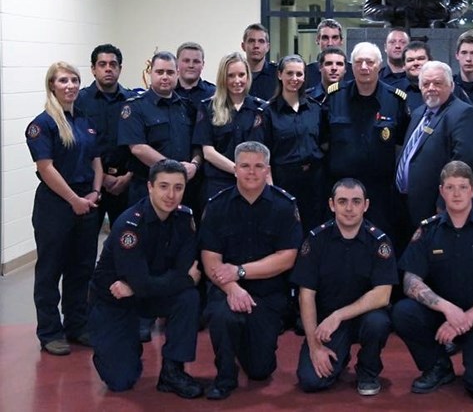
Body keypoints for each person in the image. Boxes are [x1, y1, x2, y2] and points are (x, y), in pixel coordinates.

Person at [392, 161, 473, 403]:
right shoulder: (427, 231)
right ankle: (438, 366)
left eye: (462, 187)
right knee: (404, 312)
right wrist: (446, 309)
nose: (456, 193)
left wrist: (464, 320)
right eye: (450, 187)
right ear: (441, 191)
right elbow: (410, 279)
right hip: (443, 314)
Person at [88, 160, 203, 398]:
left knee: (187, 298)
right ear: (150, 187)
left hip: (144, 293)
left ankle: (172, 371)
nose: (171, 195)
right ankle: (120, 344)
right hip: (115, 301)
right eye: (163, 186)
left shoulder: (185, 219)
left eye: (178, 188)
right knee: (121, 381)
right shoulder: (130, 225)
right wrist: (185, 280)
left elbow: (177, 270)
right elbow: (182, 276)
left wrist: (142, 286)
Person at [200, 141, 303, 400]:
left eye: (258, 166)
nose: (251, 172)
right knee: (223, 317)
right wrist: (233, 287)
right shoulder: (217, 206)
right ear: (235, 169)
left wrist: (240, 272)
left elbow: (287, 258)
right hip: (226, 290)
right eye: (245, 166)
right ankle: (225, 375)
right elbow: (210, 259)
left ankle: (247, 348)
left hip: (267, 295)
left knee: (260, 370)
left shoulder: (284, 205)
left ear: (267, 170)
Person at [292, 178, 397, 396]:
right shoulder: (315, 241)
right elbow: (306, 296)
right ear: (332, 205)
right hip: (327, 325)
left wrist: (339, 315)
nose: (349, 208)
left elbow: (383, 295)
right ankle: (341, 356)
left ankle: (367, 371)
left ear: (365, 205)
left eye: (356, 201)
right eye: (342, 201)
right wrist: (314, 347)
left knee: (377, 322)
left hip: (362, 319)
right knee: (312, 382)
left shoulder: (380, 242)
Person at [26, 62, 103, 356]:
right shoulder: (42, 124)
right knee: (50, 270)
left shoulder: (85, 120)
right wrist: (74, 200)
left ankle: (77, 325)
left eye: (74, 80)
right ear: (52, 86)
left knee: (81, 269)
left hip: (87, 202)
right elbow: (46, 169)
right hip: (56, 206)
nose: (70, 85)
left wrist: (95, 192)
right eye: (63, 80)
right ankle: (49, 332)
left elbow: (96, 160)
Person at [323, 42, 410, 242]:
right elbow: (325, 141)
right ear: (351, 66)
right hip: (342, 189)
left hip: (380, 191)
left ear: (379, 66)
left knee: (381, 242)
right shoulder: (334, 96)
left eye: (369, 62)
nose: (364, 67)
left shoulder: (395, 99)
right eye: (359, 62)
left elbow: (400, 145)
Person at [395, 61, 473, 240]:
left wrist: (444, 201)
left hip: (438, 206)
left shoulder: (463, 113)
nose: (431, 88)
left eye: (437, 83)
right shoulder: (419, 113)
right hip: (406, 204)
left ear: (451, 85)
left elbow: (463, 162)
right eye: (426, 84)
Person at [118, 51, 202, 205]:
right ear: (151, 73)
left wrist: (195, 165)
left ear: (177, 73)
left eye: (170, 72)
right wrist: (174, 170)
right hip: (147, 189)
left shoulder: (187, 106)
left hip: (183, 189)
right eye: (159, 72)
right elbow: (138, 148)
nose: (165, 77)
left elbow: (198, 143)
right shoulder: (135, 106)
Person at [193, 52, 267, 202]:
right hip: (218, 184)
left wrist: (246, 173)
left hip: (253, 184)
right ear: (223, 78)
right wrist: (238, 170)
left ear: (248, 76)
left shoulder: (261, 108)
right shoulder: (208, 107)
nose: (237, 80)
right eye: (231, 76)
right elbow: (208, 152)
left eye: (241, 75)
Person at [75, 44, 134, 232]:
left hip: (126, 184)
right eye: (102, 64)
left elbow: (141, 142)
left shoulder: (133, 101)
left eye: (113, 64)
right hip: (90, 186)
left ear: (120, 69)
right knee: (85, 247)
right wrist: (102, 178)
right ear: (93, 69)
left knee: (126, 243)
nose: (108, 68)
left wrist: (128, 177)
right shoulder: (78, 101)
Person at [263, 55, 324, 233]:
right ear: (280, 74)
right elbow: (264, 156)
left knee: (314, 232)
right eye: (290, 73)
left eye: (299, 74)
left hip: (315, 182)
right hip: (284, 181)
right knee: (286, 231)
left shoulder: (316, 108)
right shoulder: (268, 112)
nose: (294, 79)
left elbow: (324, 144)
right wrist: (271, 189)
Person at [241, 23, 278, 101]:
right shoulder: (236, 75)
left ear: (268, 47)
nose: (256, 46)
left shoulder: (278, 75)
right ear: (243, 46)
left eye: (261, 41)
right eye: (251, 41)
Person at [174, 41, 216, 110]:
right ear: (177, 62)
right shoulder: (167, 93)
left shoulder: (214, 94)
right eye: (186, 61)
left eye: (196, 61)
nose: (191, 65)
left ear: (203, 64)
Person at [396, 40, 433, 111]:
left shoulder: (443, 88)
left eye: (421, 59)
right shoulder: (394, 91)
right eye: (410, 60)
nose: (416, 63)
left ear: (430, 61)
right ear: (403, 65)